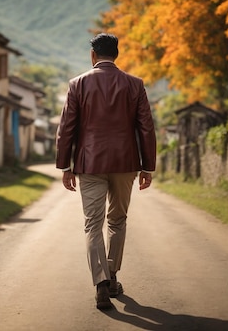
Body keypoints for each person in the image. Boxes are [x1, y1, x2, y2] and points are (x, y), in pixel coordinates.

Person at [56, 32, 157, 310]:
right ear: (116, 54)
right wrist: (148, 166)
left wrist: (65, 165)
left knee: (93, 223)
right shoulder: (135, 85)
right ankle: (112, 276)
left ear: (93, 56)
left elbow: (66, 128)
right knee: (118, 221)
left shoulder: (78, 84)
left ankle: (100, 283)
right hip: (126, 164)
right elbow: (146, 128)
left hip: (90, 164)